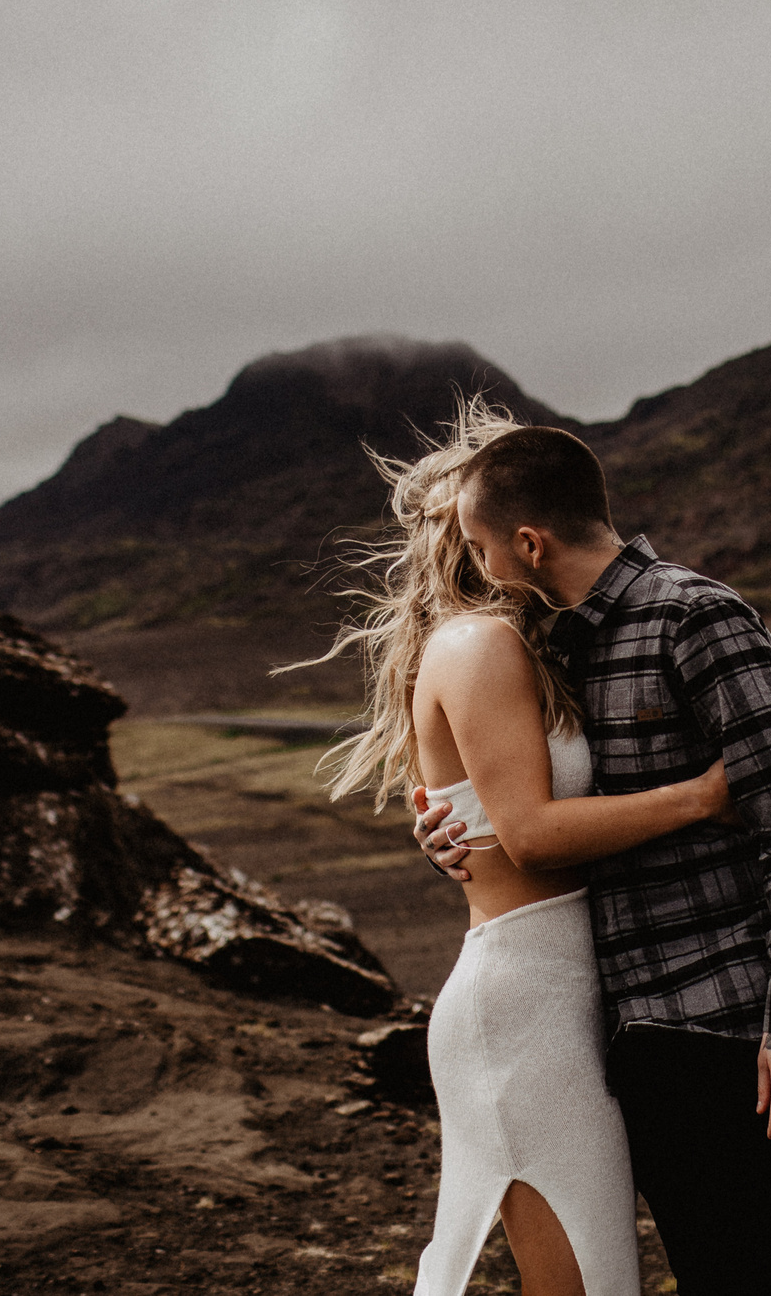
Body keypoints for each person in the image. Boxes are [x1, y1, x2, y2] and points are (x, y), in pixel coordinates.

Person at [295, 400, 741, 1296]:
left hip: (563, 993)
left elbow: (499, 815)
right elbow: (530, 835)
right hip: (525, 1007)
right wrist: (701, 795)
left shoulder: (526, 650)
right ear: (484, 539)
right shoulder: (481, 643)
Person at [413, 421, 771, 1295]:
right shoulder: (565, 645)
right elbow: (534, 817)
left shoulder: (698, 617)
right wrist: (454, 829)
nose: (472, 566)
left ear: (528, 543)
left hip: (741, 1028)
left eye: (478, 546)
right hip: (644, 1041)